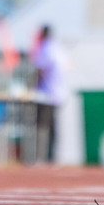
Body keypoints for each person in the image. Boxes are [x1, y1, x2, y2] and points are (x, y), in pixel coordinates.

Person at [31, 25, 67, 163]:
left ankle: (42, 156)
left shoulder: (45, 48)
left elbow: (41, 69)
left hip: (46, 93)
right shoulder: (59, 48)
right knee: (53, 126)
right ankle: (52, 156)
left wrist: (32, 85)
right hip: (58, 92)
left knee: (42, 125)